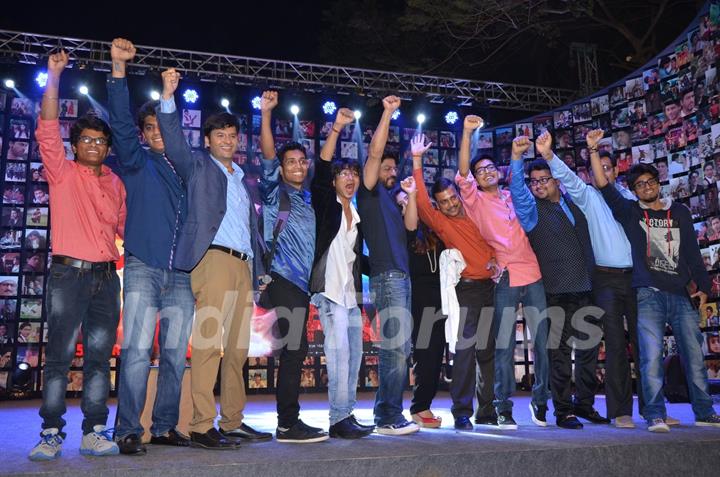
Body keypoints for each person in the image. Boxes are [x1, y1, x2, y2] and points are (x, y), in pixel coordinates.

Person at [157, 69, 268, 449]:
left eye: (232, 135)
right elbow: (172, 142)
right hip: (213, 261)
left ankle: (233, 420)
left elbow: (252, 232)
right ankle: (203, 425)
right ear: (207, 141)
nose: (227, 140)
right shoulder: (198, 166)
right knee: (208, 344)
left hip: (243, 265)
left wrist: (258, 272)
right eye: (219, 135)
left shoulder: (242, 178)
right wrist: (169, 97)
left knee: (237, 349)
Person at [29, 50, 126, 461]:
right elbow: (47, 124)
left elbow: (123, 231)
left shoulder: (117, 182)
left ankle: (94, 431)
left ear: (107, 148)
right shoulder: (61, 171)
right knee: (60, 358)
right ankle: (51, 432)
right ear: (74, 146)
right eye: (86, 140)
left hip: (107, 278)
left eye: (100, 141)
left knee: (101, 360)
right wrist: (54, 74)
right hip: (69, 276)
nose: (94, 145)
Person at [105, 39, 196, 455]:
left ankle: (162, 426)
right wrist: (119, 70)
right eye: (150, 128)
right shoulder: (136, 161)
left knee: (176, 357)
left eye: (163, 125)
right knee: (138, 353)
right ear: (143, 135)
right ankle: (127, 429)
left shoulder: (189, 168)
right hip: (143, 266)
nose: (157, 132)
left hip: (181, 273)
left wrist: (168, 101)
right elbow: (121, 125)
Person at [594, 158, 720, 432]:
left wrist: (704, 288)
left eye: (650, 181)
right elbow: (604, 185)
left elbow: (692, 254)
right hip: (648, 294)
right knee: (650, 357)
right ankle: (654, 414)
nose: (646, 187)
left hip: (680, 294)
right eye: (640, 185)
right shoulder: (630, 212)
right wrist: (593, 150)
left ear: (658, 183)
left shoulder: (680, 212)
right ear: (634, 191)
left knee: (695, 356)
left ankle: (704, 411)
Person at [456, 115, 551, 429]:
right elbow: (462, 171)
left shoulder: (512, 195)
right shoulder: (474, 201)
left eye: (490, 168)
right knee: (504, 346)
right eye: (480, 171)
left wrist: (517, 157)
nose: (486, 173)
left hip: (534, 273)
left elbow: (523, 191)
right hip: (506, 276)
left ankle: (540, 405)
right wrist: (468, 132)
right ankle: (503, 409)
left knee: (542, 343)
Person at [546, 130, 645, 428]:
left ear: (616, 171)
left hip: (638, 278)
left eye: (607, 168)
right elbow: (567, 177)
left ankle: (654, 408)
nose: (602, 173)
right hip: (606, 279)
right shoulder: (588, 196)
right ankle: (620, 411)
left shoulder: (629, 197)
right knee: (615, 345)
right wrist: (549, 155)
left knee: (645, 345)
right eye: (597, 169)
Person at [402, 134, 498, 431]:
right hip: (467, 289)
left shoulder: (473, 210)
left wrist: (494, 258)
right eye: (444, 203)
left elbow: (491, 237)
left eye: (453, 198)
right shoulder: (441, 222)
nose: (451, 205)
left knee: (487, 350)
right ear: (438, 208)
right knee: (466, 351)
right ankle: (461, 411)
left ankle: (486, 410)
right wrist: (417, 159)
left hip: (490, 288)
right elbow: (420, 202)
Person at [509, 132, 600, 430]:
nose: (537, 185)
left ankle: (584, 405)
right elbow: (518, 192)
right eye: (533, 181)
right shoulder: (531, 211)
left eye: (543, 179)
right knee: (559, 356)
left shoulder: (576, 203)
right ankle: (563, 411)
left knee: (588, 352)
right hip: (555, 292)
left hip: (587, 287)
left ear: (556, 180)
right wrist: (517, 158)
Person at [259, 91, 327, 443]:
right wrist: (266, 114)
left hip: (302, 286)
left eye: (302, 161)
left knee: (294, 350)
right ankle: (287, 423)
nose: (298, 166)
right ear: (282, 169)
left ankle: (288, 420)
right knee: (293, 351)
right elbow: (268, 156)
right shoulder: (276, 192)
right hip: (283, 278)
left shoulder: (307, 197)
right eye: (291, 162)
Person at [308, 106, 374, 439]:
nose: (350, 180)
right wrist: (335, 129)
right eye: (343, 175)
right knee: (339, 356)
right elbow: (319, 168)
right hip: (329, 291)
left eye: (354, 175)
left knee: (355, 356)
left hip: (350, 295)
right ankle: (337, 419)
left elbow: (358, 260)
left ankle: (346, 414)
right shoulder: (326, 204)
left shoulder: (358, 215)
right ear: (334, 181)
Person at [356, 95, 419, 435]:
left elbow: (412, 227)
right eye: (388, 168)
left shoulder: (393, 203)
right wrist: (387, 113)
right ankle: (387, 416)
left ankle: (388, 411)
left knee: (401, 348)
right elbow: (375, 153)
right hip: (387, 277)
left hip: (402, 277)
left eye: (396, 169)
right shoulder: (368, 193)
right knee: (395, 348)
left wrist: (409, 195)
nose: (392, 172)